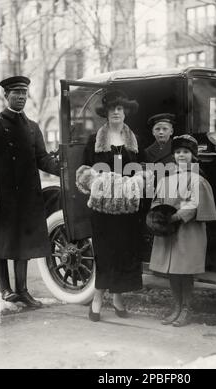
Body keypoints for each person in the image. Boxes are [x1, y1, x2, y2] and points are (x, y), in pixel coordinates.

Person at [0, 76, 60, 307]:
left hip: (27, 196)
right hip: (3, 195)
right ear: (6, 96)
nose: (21, 97)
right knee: (2, 242)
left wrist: (62, 170)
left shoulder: (32, 127)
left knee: (22, 244)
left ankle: (22, 291)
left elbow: (42, 158)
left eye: (23, 93)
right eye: (16, 93)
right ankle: (5, 289)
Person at [82, 89, 143, 322]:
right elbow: (84, 173)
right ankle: (98, 298)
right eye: (112, 109)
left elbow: (142, 170)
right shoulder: (93, 140)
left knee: (124, 251)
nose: (116, 112)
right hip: (102, 208)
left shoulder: (135, 141)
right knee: (105, 252)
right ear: (106, 114)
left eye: (120, 108)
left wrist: (134, 182)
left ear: (125, 112)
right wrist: (103, 183)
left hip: (127, 209)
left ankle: (117, 297)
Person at [148, 135, 216, 327]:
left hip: (188, 232)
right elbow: (156, 201)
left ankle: (186, 309)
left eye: (185, 152)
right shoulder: (166, 180)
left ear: (193, 156)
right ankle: (177, 307)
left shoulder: (198, 180)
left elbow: (194, 206)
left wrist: (176, 216)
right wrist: (158, 216)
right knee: (173, 272)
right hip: (168, 232)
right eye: (178, 152)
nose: (181, 155)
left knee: (184, 272)